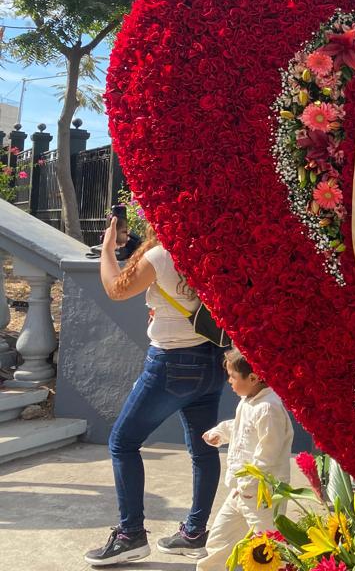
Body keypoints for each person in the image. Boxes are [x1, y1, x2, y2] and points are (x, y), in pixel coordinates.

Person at [85, 219, 227, 566]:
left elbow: (116, 288)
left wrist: (106, 248)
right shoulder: (210, 252)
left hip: (172, 363)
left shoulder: (163, 256)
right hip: (212, 359)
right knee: (202, 449)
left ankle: (130, 534)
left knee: (123, 442)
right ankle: (194, 534)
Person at [197, 348, 294, 571]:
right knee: (220, 539)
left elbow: (267, 453)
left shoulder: (269, 408)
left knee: (269, 547)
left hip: (263, 495)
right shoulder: (248, 401)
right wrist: (221, 432)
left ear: (253, 377)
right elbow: (242, 430)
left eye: (232, 376)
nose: (229, 381)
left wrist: (248, 483)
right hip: (241, 492)